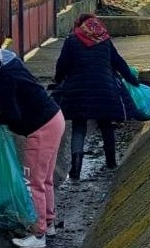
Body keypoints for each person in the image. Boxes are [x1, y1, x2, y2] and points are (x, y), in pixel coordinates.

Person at [0, 36, 64, 248]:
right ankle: (48, 223)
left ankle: (38, 235)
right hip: (55, 117)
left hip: (41, 128)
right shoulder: (9, 60)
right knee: (45, 178)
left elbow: (13, 115)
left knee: (33, 182)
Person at [53, 14, 139, 179]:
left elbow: (62, 65)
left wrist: (58, 80)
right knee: (106, 125)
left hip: (77, 92)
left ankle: (76, 169)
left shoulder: (72, 40)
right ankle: (111, 162)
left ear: (79, 26)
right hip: (104, 90)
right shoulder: (104, 41)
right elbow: (119, 63)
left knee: (79, 127)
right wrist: (133, 80)